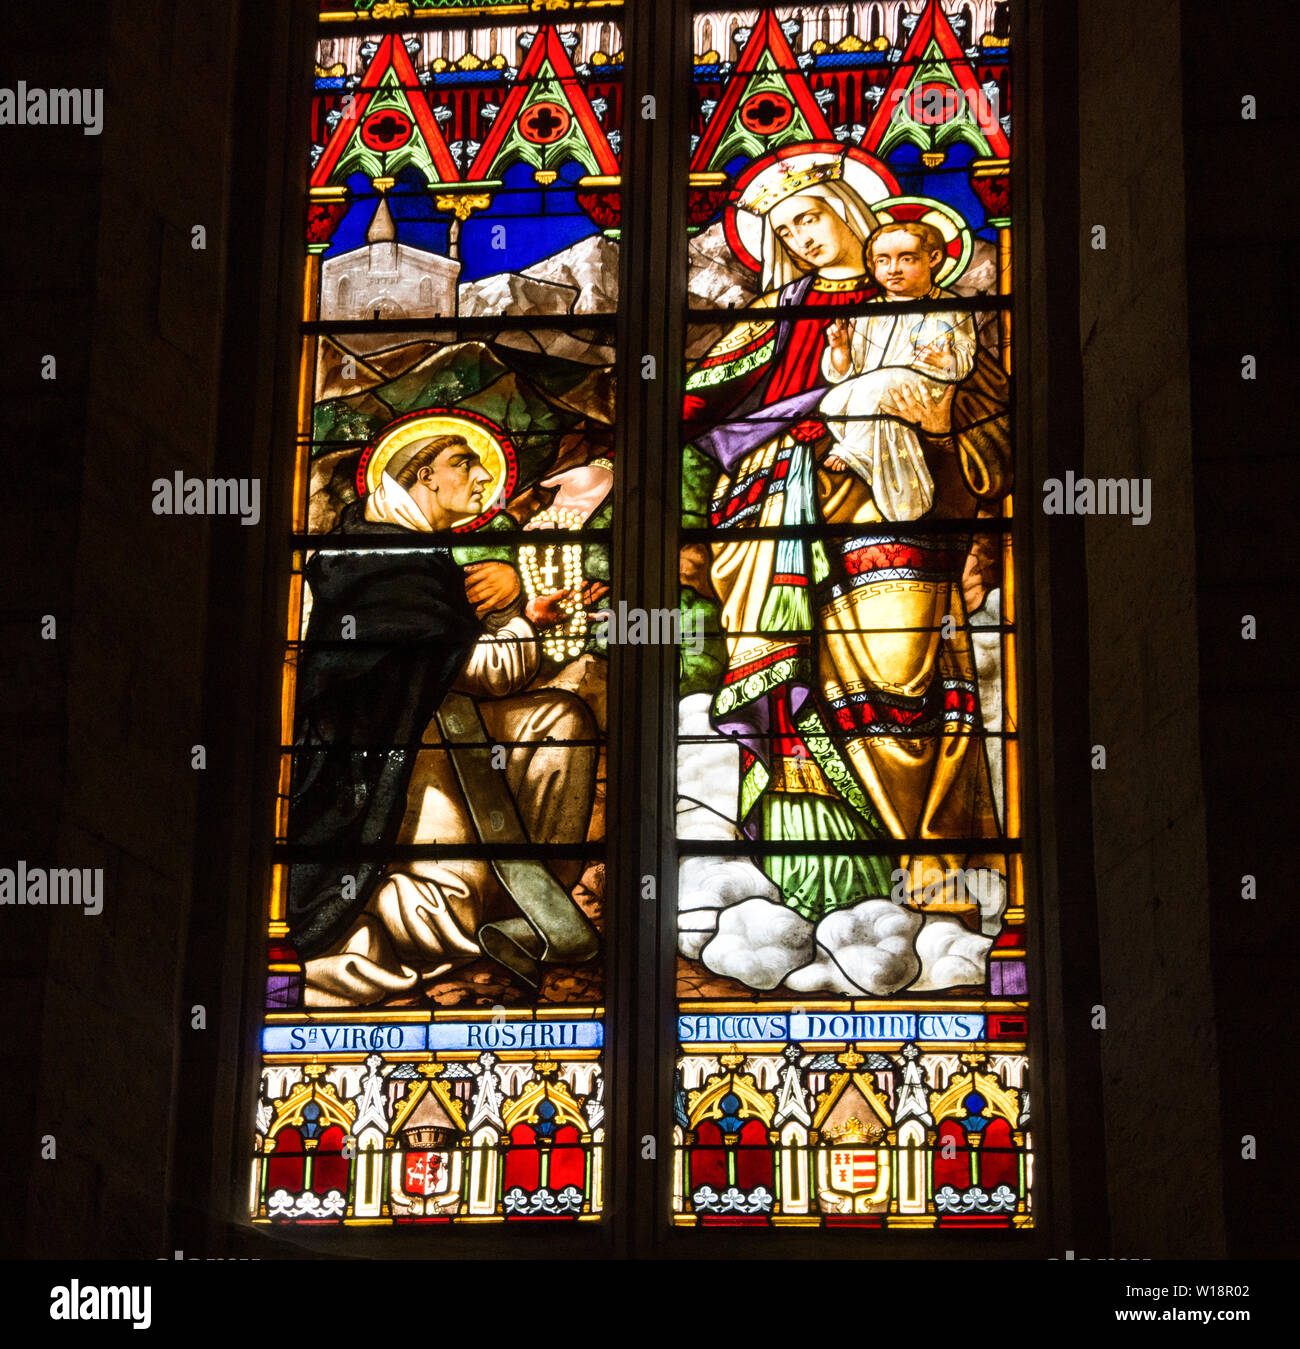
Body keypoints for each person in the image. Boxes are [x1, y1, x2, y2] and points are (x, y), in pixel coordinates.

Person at [684, 153, 1011, 925]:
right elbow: (695, 418)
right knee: (800, 692)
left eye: (811, 216)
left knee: (902, 679)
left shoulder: (928, 311)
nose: (801, 237)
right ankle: (824, 884)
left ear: (851, 214)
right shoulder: (769, 319)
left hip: (895, 514)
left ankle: (928, 864)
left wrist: (960, 485)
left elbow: (991, 422)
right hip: (772, 519)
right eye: (786, 227)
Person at [287, 431, 606, 1007]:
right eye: (465, 464)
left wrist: (522, 609)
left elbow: (458, 654)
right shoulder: (379, 560)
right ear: (422, 476)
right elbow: (488, 670)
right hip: (378, 753)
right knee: (452, 901)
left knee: (560, 720)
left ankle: (532, 902)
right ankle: (384, 912)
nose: (483, 479)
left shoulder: (419, 556)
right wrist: (512, 613)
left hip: (433, 727)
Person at [818, 220, 978, 521]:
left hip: (927, 388)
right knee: (832, 402)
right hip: (875, 396)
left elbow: (965, 357)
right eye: (882, 260)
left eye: (907, 258)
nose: (893, 268)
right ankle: (905, 496)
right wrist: (840, 351)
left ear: (933, 259)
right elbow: (848, 374)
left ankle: (852, 451)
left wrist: (948, 362)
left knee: (885, 381)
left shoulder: (950, 306)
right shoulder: (867, 312)